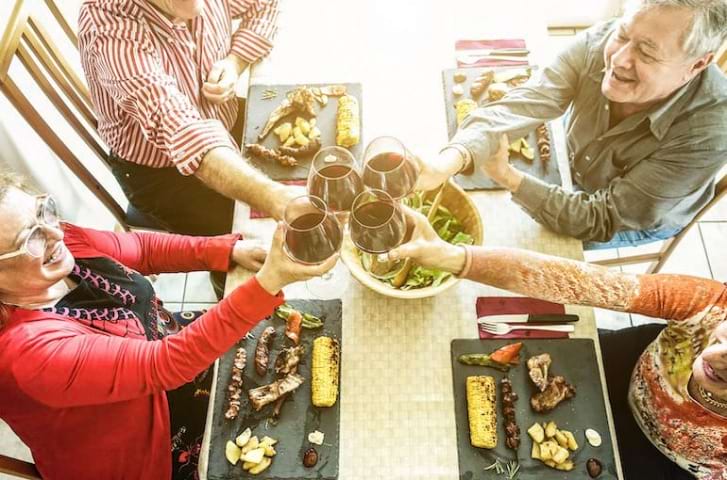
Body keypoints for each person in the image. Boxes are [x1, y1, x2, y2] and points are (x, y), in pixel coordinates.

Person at [0, 173, 335, 479]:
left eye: (44, 211)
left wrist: (226, 250)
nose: (54, 232)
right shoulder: (26, 355)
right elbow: (164, 364)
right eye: (29, 239)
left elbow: (142, 250)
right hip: (149, 449)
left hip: (169, 353)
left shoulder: (61, 243)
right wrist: (269, 280)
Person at [390, 208, 727, 479]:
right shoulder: (710, 302)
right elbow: (581, 282)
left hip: (661, 466)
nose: (719, 354)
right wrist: (454, 258)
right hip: (625, 369)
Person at [419, 0, 727, 249]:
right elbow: (525, 102)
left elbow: (600, 218)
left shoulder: (710, 134)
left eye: (646, 52)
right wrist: (445, 163)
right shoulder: (599, 41)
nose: (618, 59)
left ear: (697, 65)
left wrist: (508, 177)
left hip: (629, 217)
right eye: (622, 34)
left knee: (537, 252)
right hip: (575, 164)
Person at [78, 0, 295, 236]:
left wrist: (235, 62)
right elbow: (183, 132)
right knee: (252, 242)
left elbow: (265, 4)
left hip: (225, 118)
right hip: (165, 173)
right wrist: (276, 198)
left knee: (310, 155)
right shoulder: (110, 31)